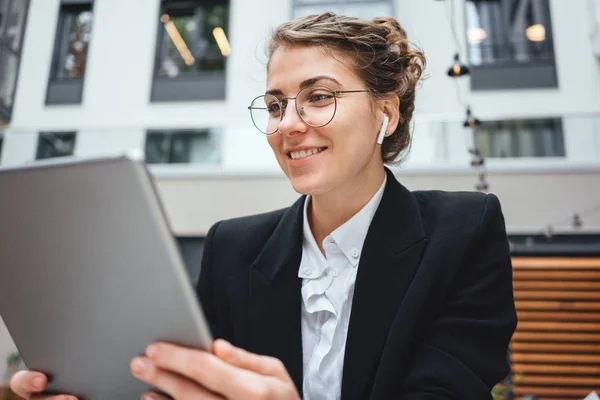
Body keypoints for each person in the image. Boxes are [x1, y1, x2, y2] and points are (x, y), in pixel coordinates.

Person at [11, 12, 517, 400]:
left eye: (318, 97)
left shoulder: (464, 231)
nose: (288, 124)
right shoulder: (231, 247)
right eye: (276, 105)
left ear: (385, 112)